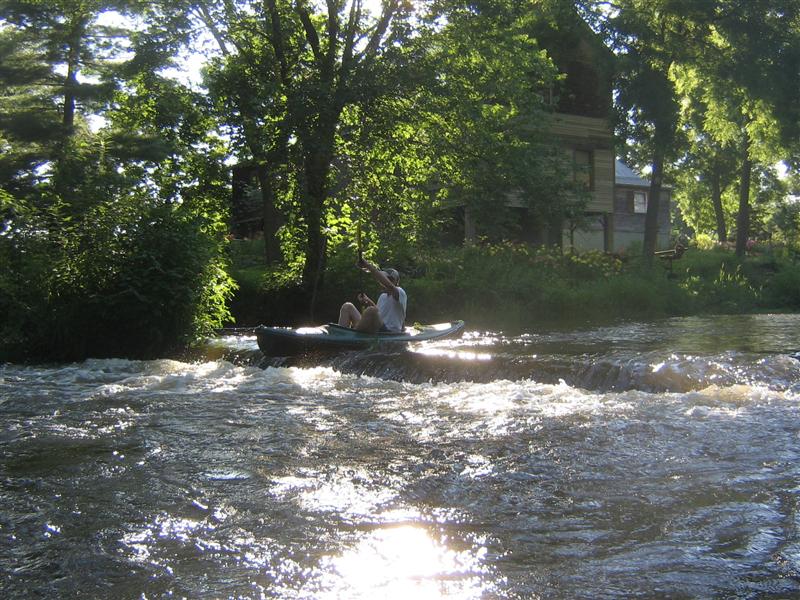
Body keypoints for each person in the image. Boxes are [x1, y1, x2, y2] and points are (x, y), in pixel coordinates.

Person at [338, 257, 407, 333]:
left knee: (371, 310)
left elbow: (389, 286)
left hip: (389, 331)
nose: (387, 280)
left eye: (390, 279)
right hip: (378, 327)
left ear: (396, 282)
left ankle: (354, 333)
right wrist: (367, 301)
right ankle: (341, 335)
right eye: (386, 278)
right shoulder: (383, 296)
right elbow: (378, 313)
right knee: (347, 306)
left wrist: (367, 265)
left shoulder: (400, 292)